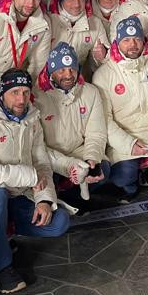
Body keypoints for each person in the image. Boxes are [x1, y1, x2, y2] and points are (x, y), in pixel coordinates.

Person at [0, 68, 71, 294]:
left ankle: (4, 236)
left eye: (25, 92)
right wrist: (27, 174)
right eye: (15, 92)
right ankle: (0, 268)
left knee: (59, 221)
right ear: (2, 93)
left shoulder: (32, 118)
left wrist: (44, 200)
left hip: (22, 194)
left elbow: (41, 162)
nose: (21, 99)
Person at [92, 16, 148, 202]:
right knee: (124, 173)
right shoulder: (104, 74)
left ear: (144, 40)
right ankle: (130, 185)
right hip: (126, 133)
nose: (132, 45)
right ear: (117, 42)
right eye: (126, 40)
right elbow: (104, 120)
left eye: (137, 39)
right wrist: (128, 143)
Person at [33, 43, 109, 202]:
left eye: (72, 70)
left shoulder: (90, 92)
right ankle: (65, 194)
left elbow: (96, 133)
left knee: (103, 170)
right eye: (61, 70)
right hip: (50, 156)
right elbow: (36, 146)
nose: (68, 75)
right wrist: (68, 165)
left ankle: (76, 197)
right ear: (51, 72)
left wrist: (91, 158)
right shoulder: (36, 97)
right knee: (46, 182)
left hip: (77, 150)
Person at [48, 0, 110, 72]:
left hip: (76, 78)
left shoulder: (95, 23)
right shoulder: (49, 21)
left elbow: (104, 64)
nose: (77, 4)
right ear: (61, 0)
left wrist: (101, 58)